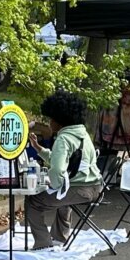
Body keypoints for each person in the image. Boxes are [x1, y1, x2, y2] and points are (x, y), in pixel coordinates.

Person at [25, 90, 103, 249]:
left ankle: (43, 243)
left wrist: (52, 185)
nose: (49, 123)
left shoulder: (63, 138)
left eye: (51, 119)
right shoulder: (82, 134)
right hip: (96, 187)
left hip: (81, 189)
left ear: (60, 121)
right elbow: (65, 160)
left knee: (33, 202)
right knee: (63, 197)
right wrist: (39, 148)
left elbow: (58, 170)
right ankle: (60, 237)